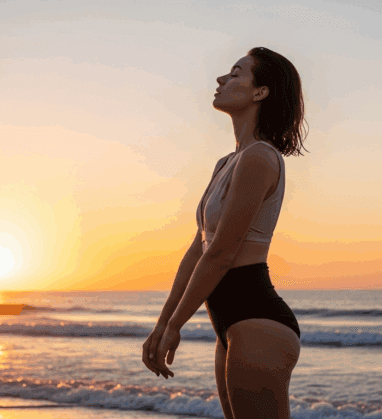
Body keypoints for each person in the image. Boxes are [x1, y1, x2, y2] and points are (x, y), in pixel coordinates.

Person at [142, 46, 308, 419]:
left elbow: (221, 253)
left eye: (235, 73)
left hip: (258, 319)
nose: (221, 79)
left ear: (260, 92)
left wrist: (176, 325)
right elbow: (197, 250)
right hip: (230, 322)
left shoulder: (260, 157)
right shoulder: (227, 163)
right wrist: (163, 323)